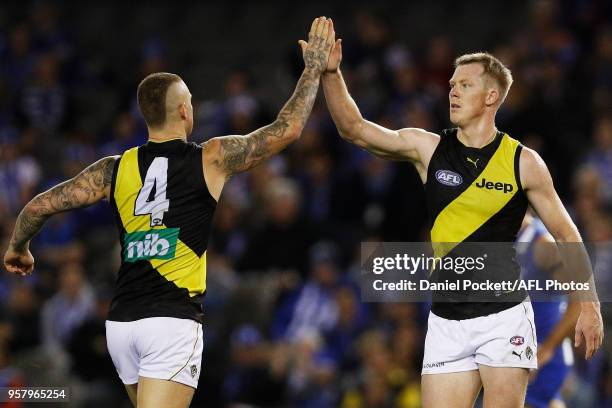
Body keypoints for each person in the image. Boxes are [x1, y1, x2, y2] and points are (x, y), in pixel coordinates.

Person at [3, 17, 336, 408]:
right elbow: (289, 127)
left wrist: (18, 247)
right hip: (171, 323)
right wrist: (314, 67)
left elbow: (39, 205)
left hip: (122, 325)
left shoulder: (113, 169)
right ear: (182, 112)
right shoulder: (211, 158)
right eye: (191, 101)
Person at [318, 29, 603, 407]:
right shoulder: (428, 148)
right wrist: (332, 74)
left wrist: (591, 305)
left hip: (504, 319)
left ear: (491, 97)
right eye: (452, 84)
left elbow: (567, 233)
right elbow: (353, 129)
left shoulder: (524, 162)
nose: (452, 91)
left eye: (464, 85)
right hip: (446, 320)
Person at [517, 213, 579, 408]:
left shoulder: (543, 244)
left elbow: (580, 300)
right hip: (520, 348)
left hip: (541, 352)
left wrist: (548, 348)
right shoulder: (503, 239)